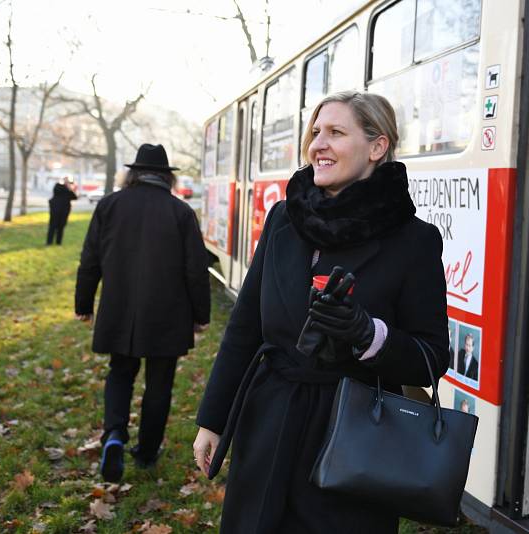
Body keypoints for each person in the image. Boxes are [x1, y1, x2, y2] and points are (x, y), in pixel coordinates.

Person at [193, 91, 448, 533]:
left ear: (377, 146)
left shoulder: (414, 240)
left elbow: (431, 356)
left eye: (335, 132)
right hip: (269, 420)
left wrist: (370, 336)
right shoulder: (283, 219)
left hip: (351, 437)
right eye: (315, 133)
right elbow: (245, 325)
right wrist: (213, 420)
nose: (318, 145)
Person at [75, 143, 210, 482]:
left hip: (118, 311)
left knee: (119, 373)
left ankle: (115, 435)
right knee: (159, 384)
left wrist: (84, 304)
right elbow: (196, 269)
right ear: (167, 177)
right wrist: (201, 314)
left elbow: (89, 259)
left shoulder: (109, 205)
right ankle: (147, 452)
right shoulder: (180, 212)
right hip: (167, 315)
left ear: (132, 173)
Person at [46, 176, 77, 245]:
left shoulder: (68, 189)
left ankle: (58, 242)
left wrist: (70, 187)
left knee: (61, 226)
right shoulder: (58, 186)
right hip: (55, 210)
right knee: (52, 226)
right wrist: (67, 186)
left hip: (64, 211)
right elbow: (57, 191)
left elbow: (74, 197)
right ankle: (49, 242)